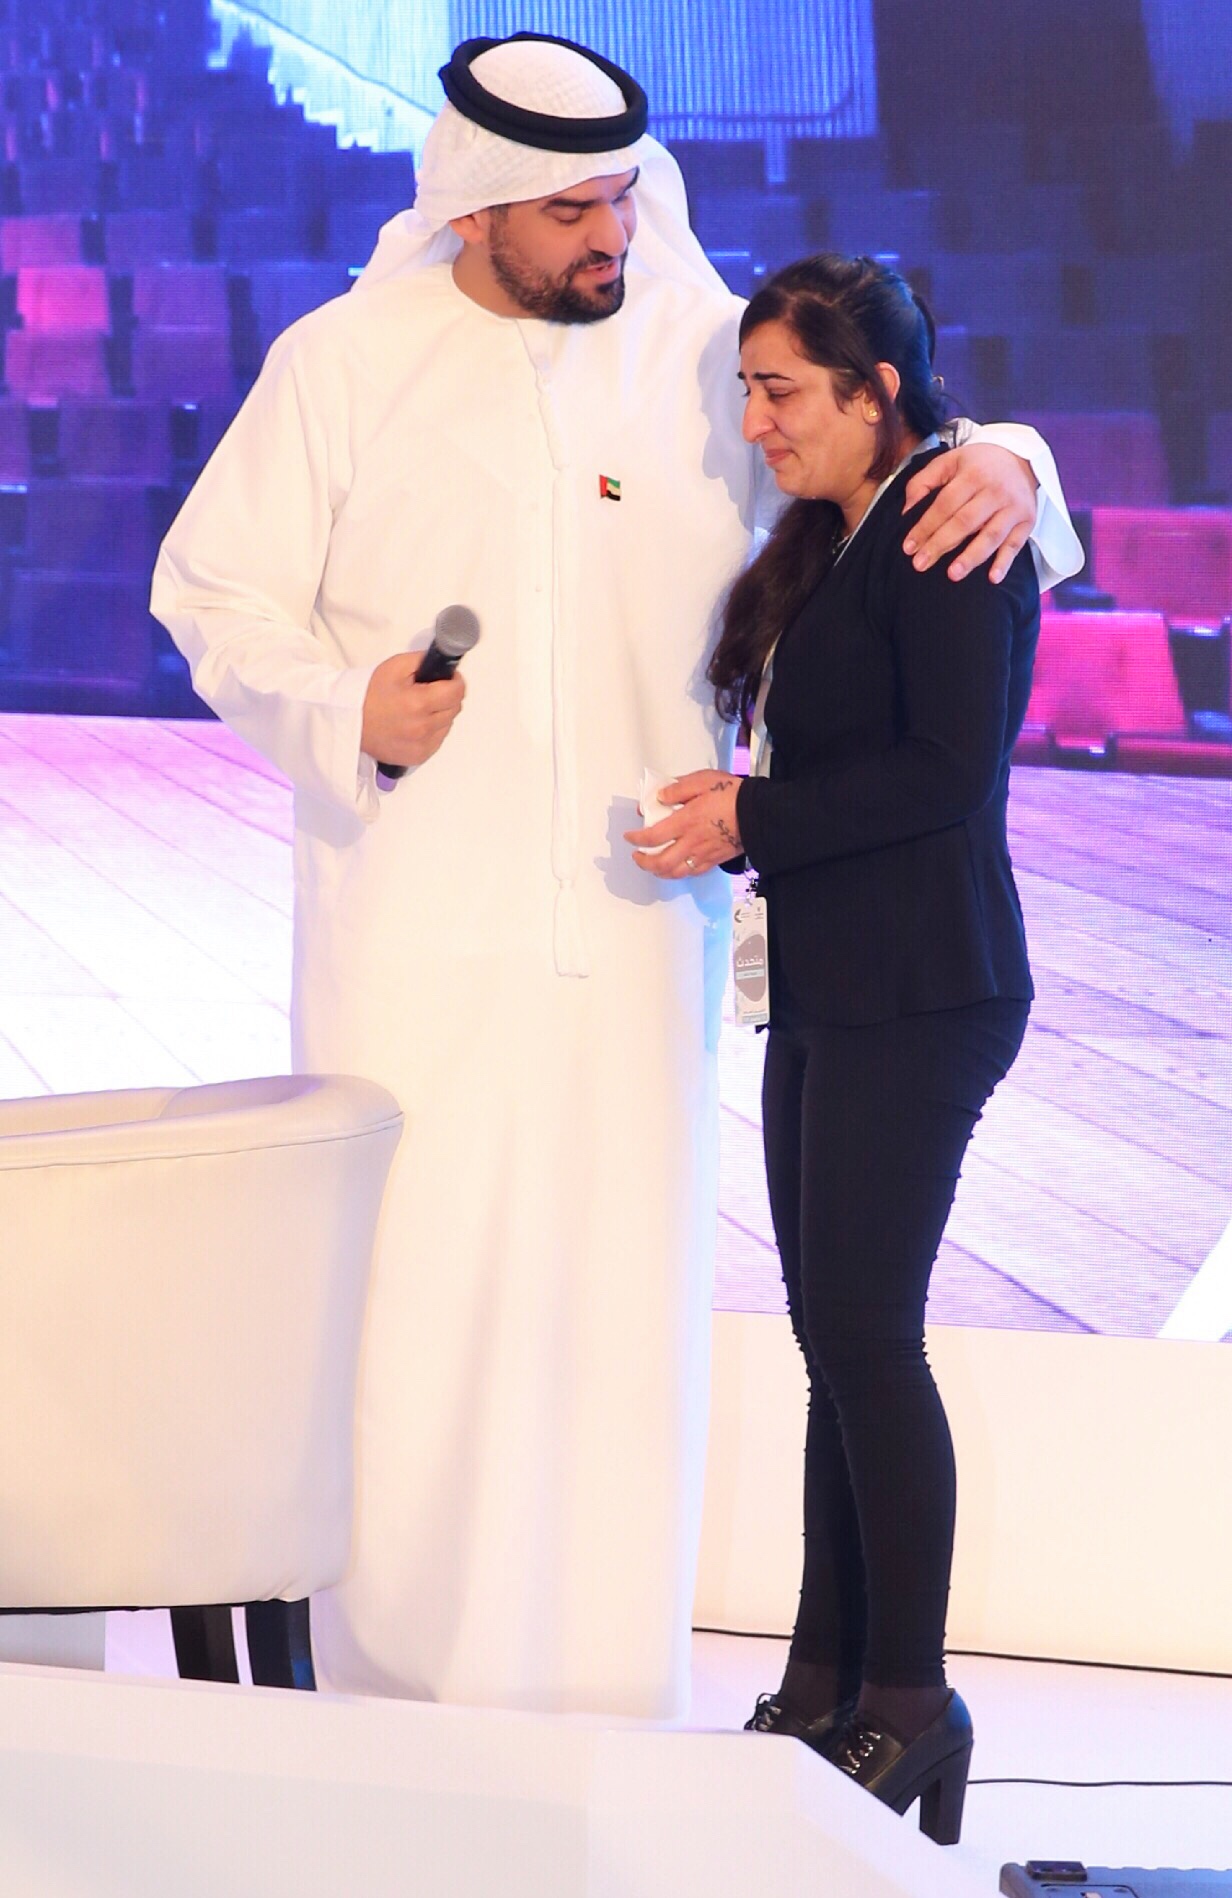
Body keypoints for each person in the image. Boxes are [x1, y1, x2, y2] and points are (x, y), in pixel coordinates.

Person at [151, 34, 1081, 1719]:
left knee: (617, 1321)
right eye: (574, 208)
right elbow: (212, 594)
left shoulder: (699, 353)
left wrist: (1021, 461)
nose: (616, 232)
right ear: (477, 205)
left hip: (643, 935)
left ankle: (605, 1699)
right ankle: (405, 1702)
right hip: (416, 935)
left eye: (625, 196)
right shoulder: (342, 365)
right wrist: (340, 708)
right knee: (422, 1314)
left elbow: (893, 435)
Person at [627, 251, 1041, 1838]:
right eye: (747, 388)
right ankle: (823, 1684)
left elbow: (946, 774)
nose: (757, 419)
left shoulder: (946, 523)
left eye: (781, 389)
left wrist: (753, 817)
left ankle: (909, 1702)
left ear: (876, 392)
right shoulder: (842, 530)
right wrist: (752, 814)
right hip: (838, 981)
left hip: (925, 989)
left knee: (868, 1336)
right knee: (837, 1341)